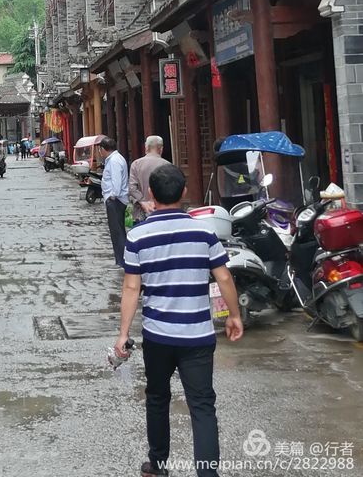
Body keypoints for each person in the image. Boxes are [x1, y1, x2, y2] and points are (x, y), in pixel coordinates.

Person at [114, 164, 243, 477]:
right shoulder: (204, 232)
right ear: (184, 192)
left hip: (158, 336)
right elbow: (224, 277)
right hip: (197, 336)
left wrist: (123, 334)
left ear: (151, 194)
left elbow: (131, 288)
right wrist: (234, 315)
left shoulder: (138, 236)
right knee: (202, 405)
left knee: (158, 398)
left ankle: (158, 466)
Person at [100, 136, 129, 267]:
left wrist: (112, 196)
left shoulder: (114, 161)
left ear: (103, 149)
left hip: (116, 200)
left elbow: (116, 181)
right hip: (116, 199)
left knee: (117, 231)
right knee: (117, 230)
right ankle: (121, 258)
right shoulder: (115, 159)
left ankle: (122, 259)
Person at [129, 135, 170, 222]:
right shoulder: (167, 165)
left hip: (140, 212)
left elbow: (132, 188)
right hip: (161, 209)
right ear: (161, 149)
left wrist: (143, 201)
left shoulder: (136, 164)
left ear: (146, 147)